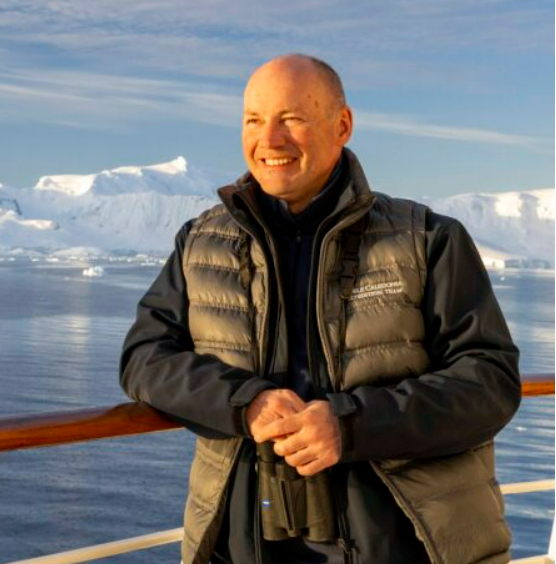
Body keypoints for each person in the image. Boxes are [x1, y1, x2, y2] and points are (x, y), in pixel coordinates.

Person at [120, 54, 521, 564]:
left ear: (342, 125)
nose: (270, 140)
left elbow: (489, 382)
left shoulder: (428, 240)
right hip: (244, 545)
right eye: (254, 120)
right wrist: (244, 403)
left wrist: (350, 426)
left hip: (408, 547)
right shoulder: (201, 242)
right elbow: (143, 357)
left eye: (291, 118)